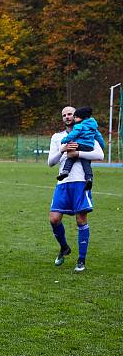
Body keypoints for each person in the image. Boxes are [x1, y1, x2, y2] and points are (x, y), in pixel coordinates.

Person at [48, 106, 104, 272]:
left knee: (81, 220)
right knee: (54, 219)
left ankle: (81, 260)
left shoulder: (87, 131)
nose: (67, 116)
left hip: (80, 182)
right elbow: (50, 162)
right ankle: (64, 247)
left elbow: (100, 154)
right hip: (63, 183)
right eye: (64, 114)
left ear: (76, 115)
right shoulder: (57, 137)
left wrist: (77, 153)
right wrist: (62, 150)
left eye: (70, 114)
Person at [57, 106, 105, 190]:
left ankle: (65, 171)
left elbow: (73, 134)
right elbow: (99, 137)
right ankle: (89, 178)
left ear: (81, 117)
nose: (74, 119)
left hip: (80, 145)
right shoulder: (93, 127)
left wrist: (65, 140)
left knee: (71, 157)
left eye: (75, 117)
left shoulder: (79, 126)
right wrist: (102, 145)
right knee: (86, 163)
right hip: (89, 147)